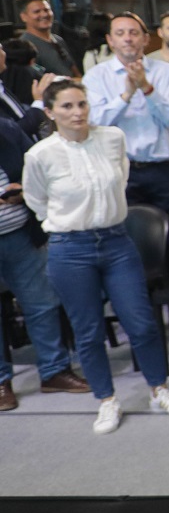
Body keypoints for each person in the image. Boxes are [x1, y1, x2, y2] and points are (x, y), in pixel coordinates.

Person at [22, 79, 169, 434]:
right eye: (67, 107)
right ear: (50, 112)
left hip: (116, 241)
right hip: (70, 247)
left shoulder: (112, 138)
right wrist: (63, 223)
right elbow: (36, 199)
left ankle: (159, 389)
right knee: (88, 331)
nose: (77, 112)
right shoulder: (40, 154)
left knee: (142, 322)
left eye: (82, 104)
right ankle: (106, 399)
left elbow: (120, 179)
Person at [0, 78, 86, 410]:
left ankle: (54, 371)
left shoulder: (7, 129)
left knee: (42, 304)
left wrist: (23, 190)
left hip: (21, 231)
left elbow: (36, 171)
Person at [83, 12, 169, 278]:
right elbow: (94, 122)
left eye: (133, 33)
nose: (127, 39)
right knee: (125, 241)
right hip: (119, 170)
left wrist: (147, 88)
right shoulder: (96, 76)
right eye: (120, 33)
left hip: (162, 168)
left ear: (145, 39)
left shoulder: (164, 72)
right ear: (110, 40)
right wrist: (126, 94)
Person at [18, 0, 80, 75]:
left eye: (46, 10)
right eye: (37, 11)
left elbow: (73, 70)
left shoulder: (58, 40)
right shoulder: (24, 46)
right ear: (23, 17)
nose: (44, 15)